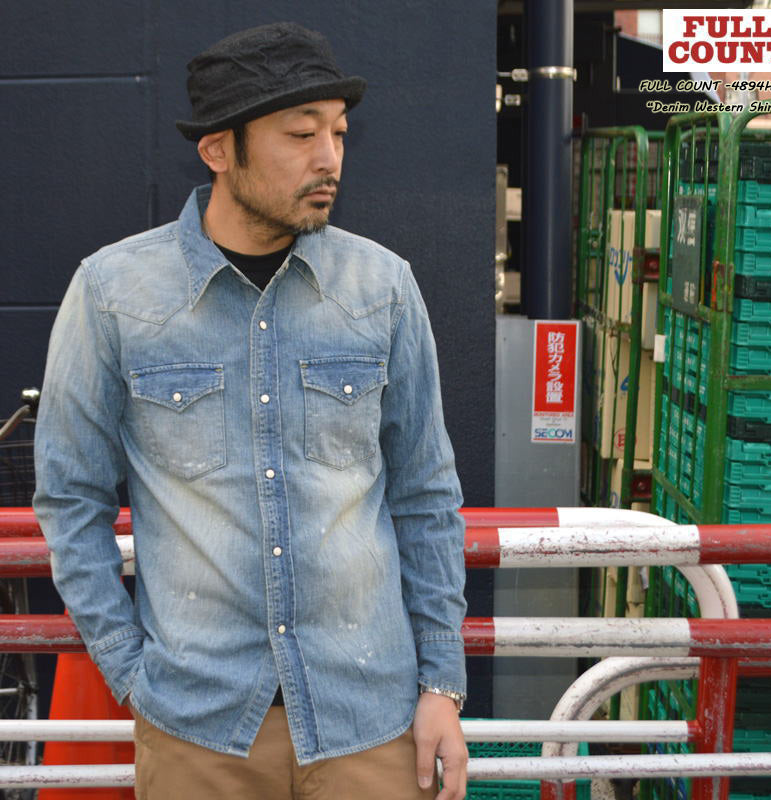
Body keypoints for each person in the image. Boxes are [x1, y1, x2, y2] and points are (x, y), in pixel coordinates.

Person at [33, 21, 468, 800]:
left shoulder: (381, 287)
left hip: (369, 723)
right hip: (197, 732)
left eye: (338, 132)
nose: (329, 157)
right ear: (218, 150)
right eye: (301, 134)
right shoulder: (113, 293)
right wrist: (130, 670)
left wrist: (441, 682)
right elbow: (70, 497)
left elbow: (424, 495)